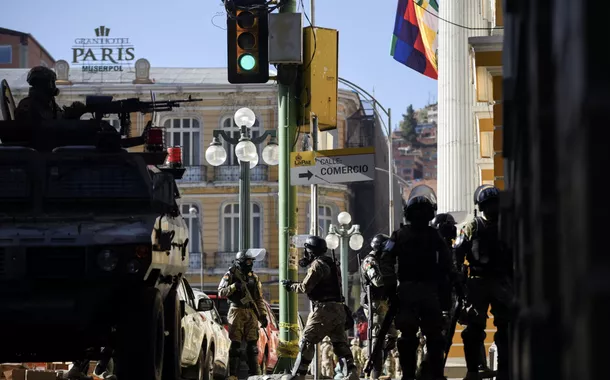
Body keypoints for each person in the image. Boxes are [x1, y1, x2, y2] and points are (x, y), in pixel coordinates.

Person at [383, 185, 452, 380]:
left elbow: (385, 259)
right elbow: (447, 263)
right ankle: (430, 374)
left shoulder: (400, 235)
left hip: (411, 290)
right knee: (429, 336)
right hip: (424, 290)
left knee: (412, 336)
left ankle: (411, 376)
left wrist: (389, 285)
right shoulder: (433, 235)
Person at [454, 185, 513, 380]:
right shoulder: (471, 226)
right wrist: (458, 277)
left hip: (502, 281)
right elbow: (458, 253)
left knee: (506, 327)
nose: (492, 209)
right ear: (481, 206)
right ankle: (474, 370)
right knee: (473, 330)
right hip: (477, 282)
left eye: (495, 204)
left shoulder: (508, 225)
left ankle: (505, 370)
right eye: (488, 205)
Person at [282, 235, 359, 380]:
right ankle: (351, 372)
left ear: (311, 251)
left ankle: (299, 374)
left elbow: (305, 287)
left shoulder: (318, 265)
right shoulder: (332, 263)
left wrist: (290, 285)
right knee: (339, 344)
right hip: (339, 310)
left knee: (307, 341)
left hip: (324, 310)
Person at [218, 250, 268, 380]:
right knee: (235, 346)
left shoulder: (254, 277)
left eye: (251, 261)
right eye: (248, 261)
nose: (250, 264)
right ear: (241, 262)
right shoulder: (230, 275)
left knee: (252, 346)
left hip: (251, 312)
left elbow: (258, 298)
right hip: (236, 311)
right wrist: (234, 286)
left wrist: (262, 315)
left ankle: (254, 375)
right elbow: (221, 292)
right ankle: (233, 374)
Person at [360, 233, 398, 379]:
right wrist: (393, 277)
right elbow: (378, 281)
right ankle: (375, 372)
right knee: (377, 337)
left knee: (392, 335)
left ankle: (380, 365)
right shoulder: (370, 261)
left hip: (384, 302)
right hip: (375, 303)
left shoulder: (383, 260)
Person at [15, 66, 86, 123]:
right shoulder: (27, 105)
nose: (54, 86)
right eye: (51, 82)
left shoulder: (50, 103)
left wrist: (71, 113)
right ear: (41, 84)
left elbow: (59, 119)